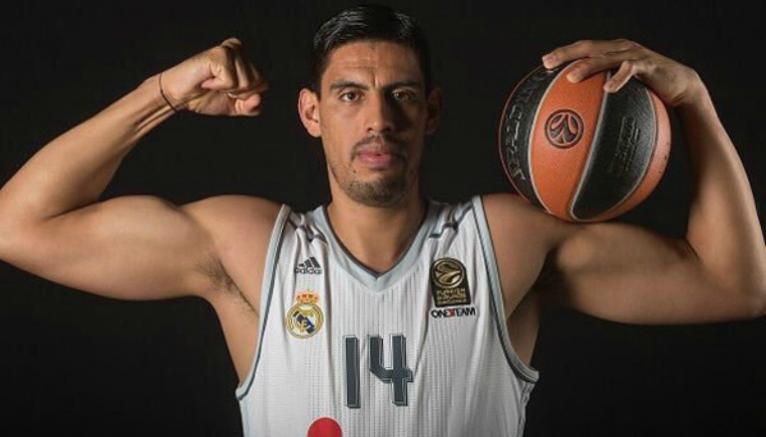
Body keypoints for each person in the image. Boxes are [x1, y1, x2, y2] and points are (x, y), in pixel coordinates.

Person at [0, 4, 763, 436]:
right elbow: (20, 225)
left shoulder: (504, 242)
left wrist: (695, 103)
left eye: (400, 96)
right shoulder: (249, 250)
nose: (377, 120)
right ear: (311, 114)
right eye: (349, 95)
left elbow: (735, 284)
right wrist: (162, 92)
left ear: (431, 113)